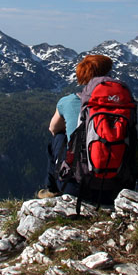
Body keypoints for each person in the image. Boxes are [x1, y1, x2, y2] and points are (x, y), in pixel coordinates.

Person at [38, 54, 114, 198]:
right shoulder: (122, 104)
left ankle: (52, 190)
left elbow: (52, 129)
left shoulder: (69, 101)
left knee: (59, 137)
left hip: (77, 187)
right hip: (117, 187)